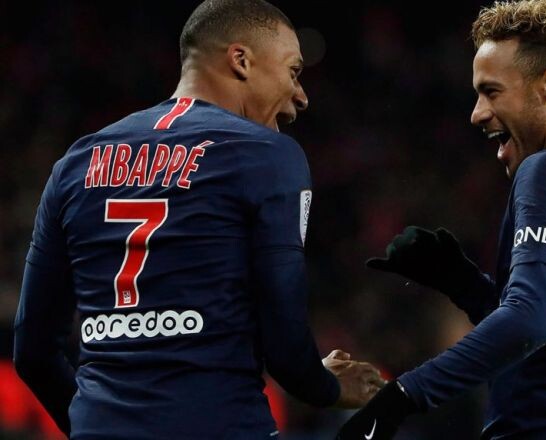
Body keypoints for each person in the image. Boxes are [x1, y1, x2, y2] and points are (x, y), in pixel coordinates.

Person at [13, 0, 385, 438]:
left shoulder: (75, 164)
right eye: (293, 71)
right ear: (241, 60)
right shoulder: (267, 155)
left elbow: (33, 351)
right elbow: (286, 347)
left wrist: (93, 427)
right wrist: (327, 386)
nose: (300, 96)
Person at [337, 0, 546, 438]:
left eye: (491, 92)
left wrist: (402, 396)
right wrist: (464, 284)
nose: (477, 112)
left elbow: (531, 320)